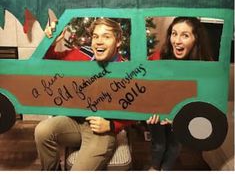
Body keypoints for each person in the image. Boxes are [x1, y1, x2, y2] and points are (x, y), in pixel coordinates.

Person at [35, 18, 134, 171]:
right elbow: (49, 61)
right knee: (42, 131)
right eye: (95, 36)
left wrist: (112, 125)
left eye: (106, 36)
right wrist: (51, 41)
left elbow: (138, 110)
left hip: (102, 130)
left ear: (118, 41)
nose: (99, 41)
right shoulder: (82, 54)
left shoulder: (127, 70)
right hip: (76, 122)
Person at [147, 16, 212, 171]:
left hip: (182, 118)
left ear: (196, 39)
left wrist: (182, 117)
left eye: (185, 35)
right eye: (174, 34)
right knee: (159, 144)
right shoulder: (158, 57)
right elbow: (145, 87)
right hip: (156, 114)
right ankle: (154, 167)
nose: (176, 41)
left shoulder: (206, 67)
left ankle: (165, 170)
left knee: (175, 146)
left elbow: (204, 101)